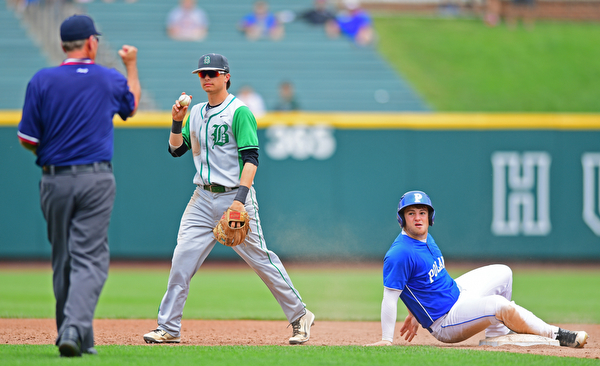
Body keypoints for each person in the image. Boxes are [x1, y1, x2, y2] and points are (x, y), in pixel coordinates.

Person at [142, 53, 314, 345]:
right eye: (202, 74)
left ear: (226, 77)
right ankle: (168, 327)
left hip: (235, 196)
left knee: (261, 260)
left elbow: (251, 158)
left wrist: (240, 200)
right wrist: (175, 122)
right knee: (181, 260)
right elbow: (176, 150)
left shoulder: (239, 111)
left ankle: (300, 315)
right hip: (201, 198)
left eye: (213, 73)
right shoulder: (194, 112)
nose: (207, 78)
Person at [17, 14, 141, 357]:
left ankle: (76, 336)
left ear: (62, 45)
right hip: (95, 177)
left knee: (63, 259)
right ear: (91, 43)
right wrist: (131, 66)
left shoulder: (42, 79)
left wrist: (49, 151)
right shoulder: (108, 78)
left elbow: (27, 138)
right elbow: (131, 104)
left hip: (54, 179)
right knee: (90, 259)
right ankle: (74, 328)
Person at [366, 190, 589, 348]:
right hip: (445, 321)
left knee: (504, 272)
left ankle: (497, 335)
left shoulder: (424, 237)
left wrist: (414, 313)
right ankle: (557, 335)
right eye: (411, 213)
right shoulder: (399, 253)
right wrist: (387, 338)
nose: (417, 218)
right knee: (499, 305)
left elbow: (420, 282)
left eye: (422, 212)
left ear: (430, 216)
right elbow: (390, 297)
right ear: (402, 218)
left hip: (458, 293)